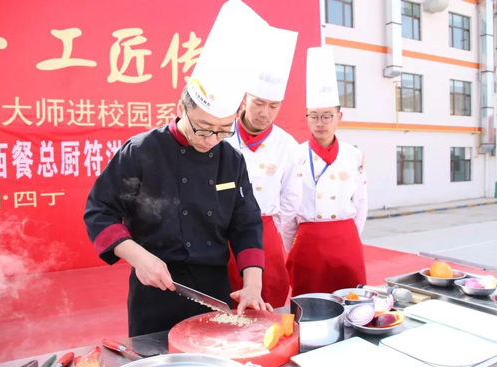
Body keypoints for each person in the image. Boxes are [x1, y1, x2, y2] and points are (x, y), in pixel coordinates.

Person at [83, 0, 273, 337]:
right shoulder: (142, 150)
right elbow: (100, 211)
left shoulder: (231, 159)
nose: (211, 139)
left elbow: (246, 223)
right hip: (154, 289)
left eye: (223, 129)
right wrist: (138, 256)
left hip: (214, 290)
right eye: (202, 127)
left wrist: (252, 283)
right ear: (180, 108)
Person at [225, 27, 300, 308]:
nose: (264, 113)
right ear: (245, 98)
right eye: (258, 103)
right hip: (220, 235)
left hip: (266, 233)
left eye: (273, 106)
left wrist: (268, 228)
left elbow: (290, 199)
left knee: (269, 304)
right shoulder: (220, 134)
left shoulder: (287, 145)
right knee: (222, 309)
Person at [286, 46, 368, 296]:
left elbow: (361, 204)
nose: (320, 123)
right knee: (309, 300)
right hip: (308, 240)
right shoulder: (295, 154)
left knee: (350, 299)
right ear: (307, 117)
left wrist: (349, 236)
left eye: (327, 116)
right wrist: (294, 244)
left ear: (339, 116)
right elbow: (288, 209)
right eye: (314, 116)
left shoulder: (354, 155)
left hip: (345, 239)